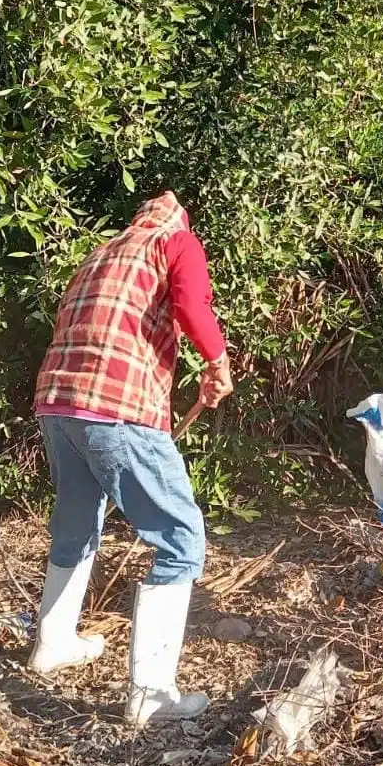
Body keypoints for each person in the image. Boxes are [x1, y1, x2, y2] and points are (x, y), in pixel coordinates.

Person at [29, 191, 234, 726]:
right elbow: (193, 307)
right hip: (115, 408)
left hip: (57, 404)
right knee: (181, 535)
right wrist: (216, 362)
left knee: (76, 520)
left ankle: (51, 643)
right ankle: (151, 695)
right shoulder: (177, 241)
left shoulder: (103, 251)